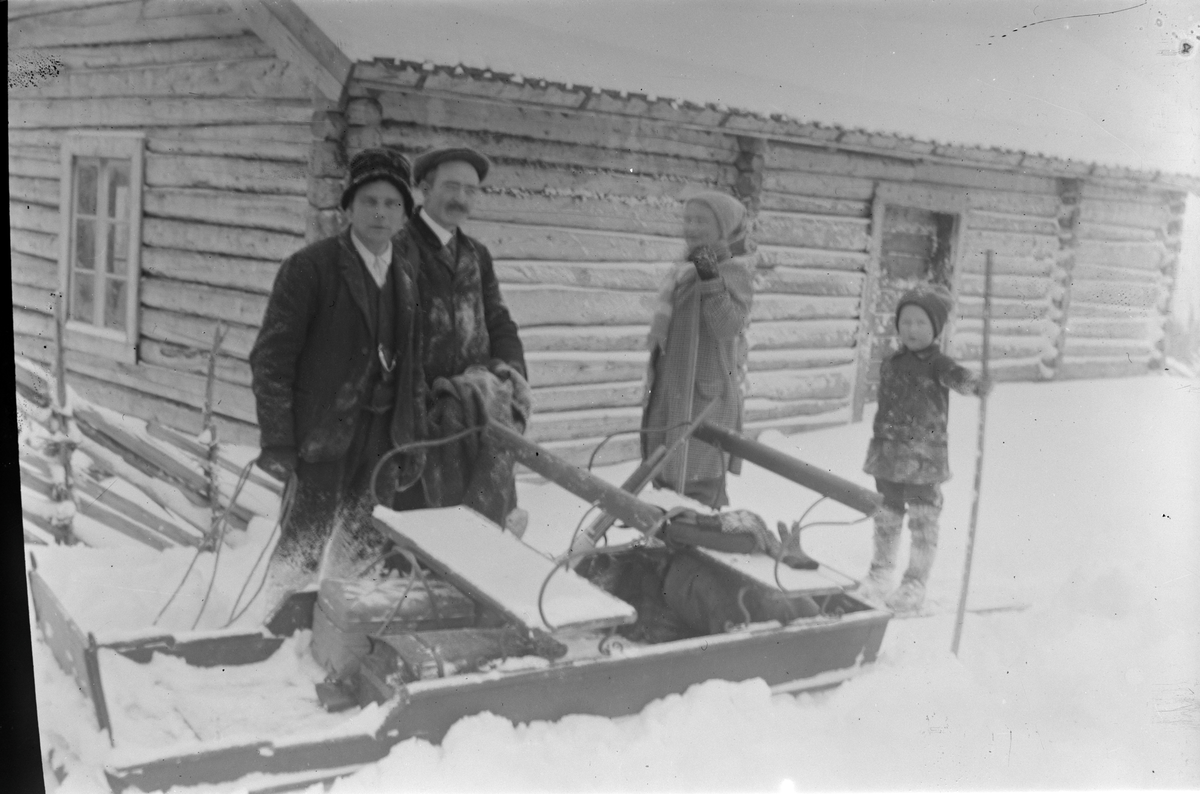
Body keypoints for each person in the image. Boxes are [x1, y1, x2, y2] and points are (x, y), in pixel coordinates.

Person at [249, 147, 422, 605]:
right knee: (302, 546)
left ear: (405, 215)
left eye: (392, 203)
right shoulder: (310, 269)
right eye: (370, 201)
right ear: (348, 206)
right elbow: (270, 360)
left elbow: (413, 371)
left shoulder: (406, 279)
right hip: (322, 438)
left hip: (382, 440)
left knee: (362, 551)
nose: (381, 213)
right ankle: (273, 628)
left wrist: (409, 439)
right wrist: (280, 441)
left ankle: (338, 635)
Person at [391, 146, 529, 525]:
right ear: (423, 188)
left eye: (471, 190)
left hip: (478, 410)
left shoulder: (476, 255)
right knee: (429, 525)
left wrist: (510, 374)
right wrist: (417, 399)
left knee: (484, 518)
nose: (462, 199)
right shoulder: (399, 248)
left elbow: (499, 320)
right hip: (424, 414)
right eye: (452, 187)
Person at [857, 284, 990, 612]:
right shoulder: (891, 363)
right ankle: (880, 573)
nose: (911, 330)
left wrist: (974, 384)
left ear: (935, 328)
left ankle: (915, 582)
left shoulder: (938, 364)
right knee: (886, 516)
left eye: (920, 323)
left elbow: (956, 377)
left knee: (922, 520)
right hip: (888, 456)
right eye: (905, 322)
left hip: (923, 461)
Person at [641, 191, 755, 508]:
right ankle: (666, 549)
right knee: (664, 478)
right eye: (687, 219)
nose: (691, 227)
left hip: (705, 398)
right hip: (671, 392)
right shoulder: (681, 270)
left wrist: (711, 278)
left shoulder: (735, 272)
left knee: (698, 486)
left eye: (701, 220)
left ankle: (701, 544)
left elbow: (727, 326)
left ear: (724, 226)